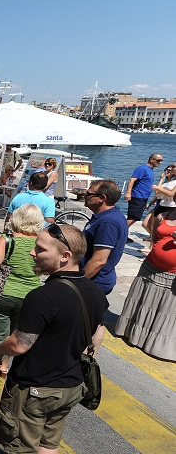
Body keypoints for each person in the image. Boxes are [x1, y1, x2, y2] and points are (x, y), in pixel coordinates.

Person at [0, 224, 106, 454]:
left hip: (35, 385)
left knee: (23, 445)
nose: (33, 252)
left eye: (41, 249)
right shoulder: (95, 292)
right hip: (71, 385)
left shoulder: (43, 296)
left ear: (65, 256)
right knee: (49, 440)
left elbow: (20, 345)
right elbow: (96, 337)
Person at [0, 204, 44, 391]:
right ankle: (5, 367)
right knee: (13, 332)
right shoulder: (41, 242)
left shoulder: (8, 239)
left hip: (3, 293)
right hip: (30, 296)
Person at [114, 201, 176, 361]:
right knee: (143, 302)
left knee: (165, 310)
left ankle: (157, 346)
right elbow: (154, 239)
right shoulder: (165, 215)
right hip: (150, 268)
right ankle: (135, 336)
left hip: (172, 275)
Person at [81, 179, 128, 295]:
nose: (85, 196)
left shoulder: (107, 222)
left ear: (102, 198)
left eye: (88, 194)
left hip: (93, 283)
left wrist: (77, 283)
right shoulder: (109, 216)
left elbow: (99, 261)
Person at [125, 153, 163, 228]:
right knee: (133, 217)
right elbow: (131, 180)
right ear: (152, 160)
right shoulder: (142, 168)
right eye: (158, 160)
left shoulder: (150, 170)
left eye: (161, 161)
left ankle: (123, 233)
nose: (160, 163)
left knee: (135, 217)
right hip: (137, 196)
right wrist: (128, 193)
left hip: (143, 197)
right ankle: (119, 234)